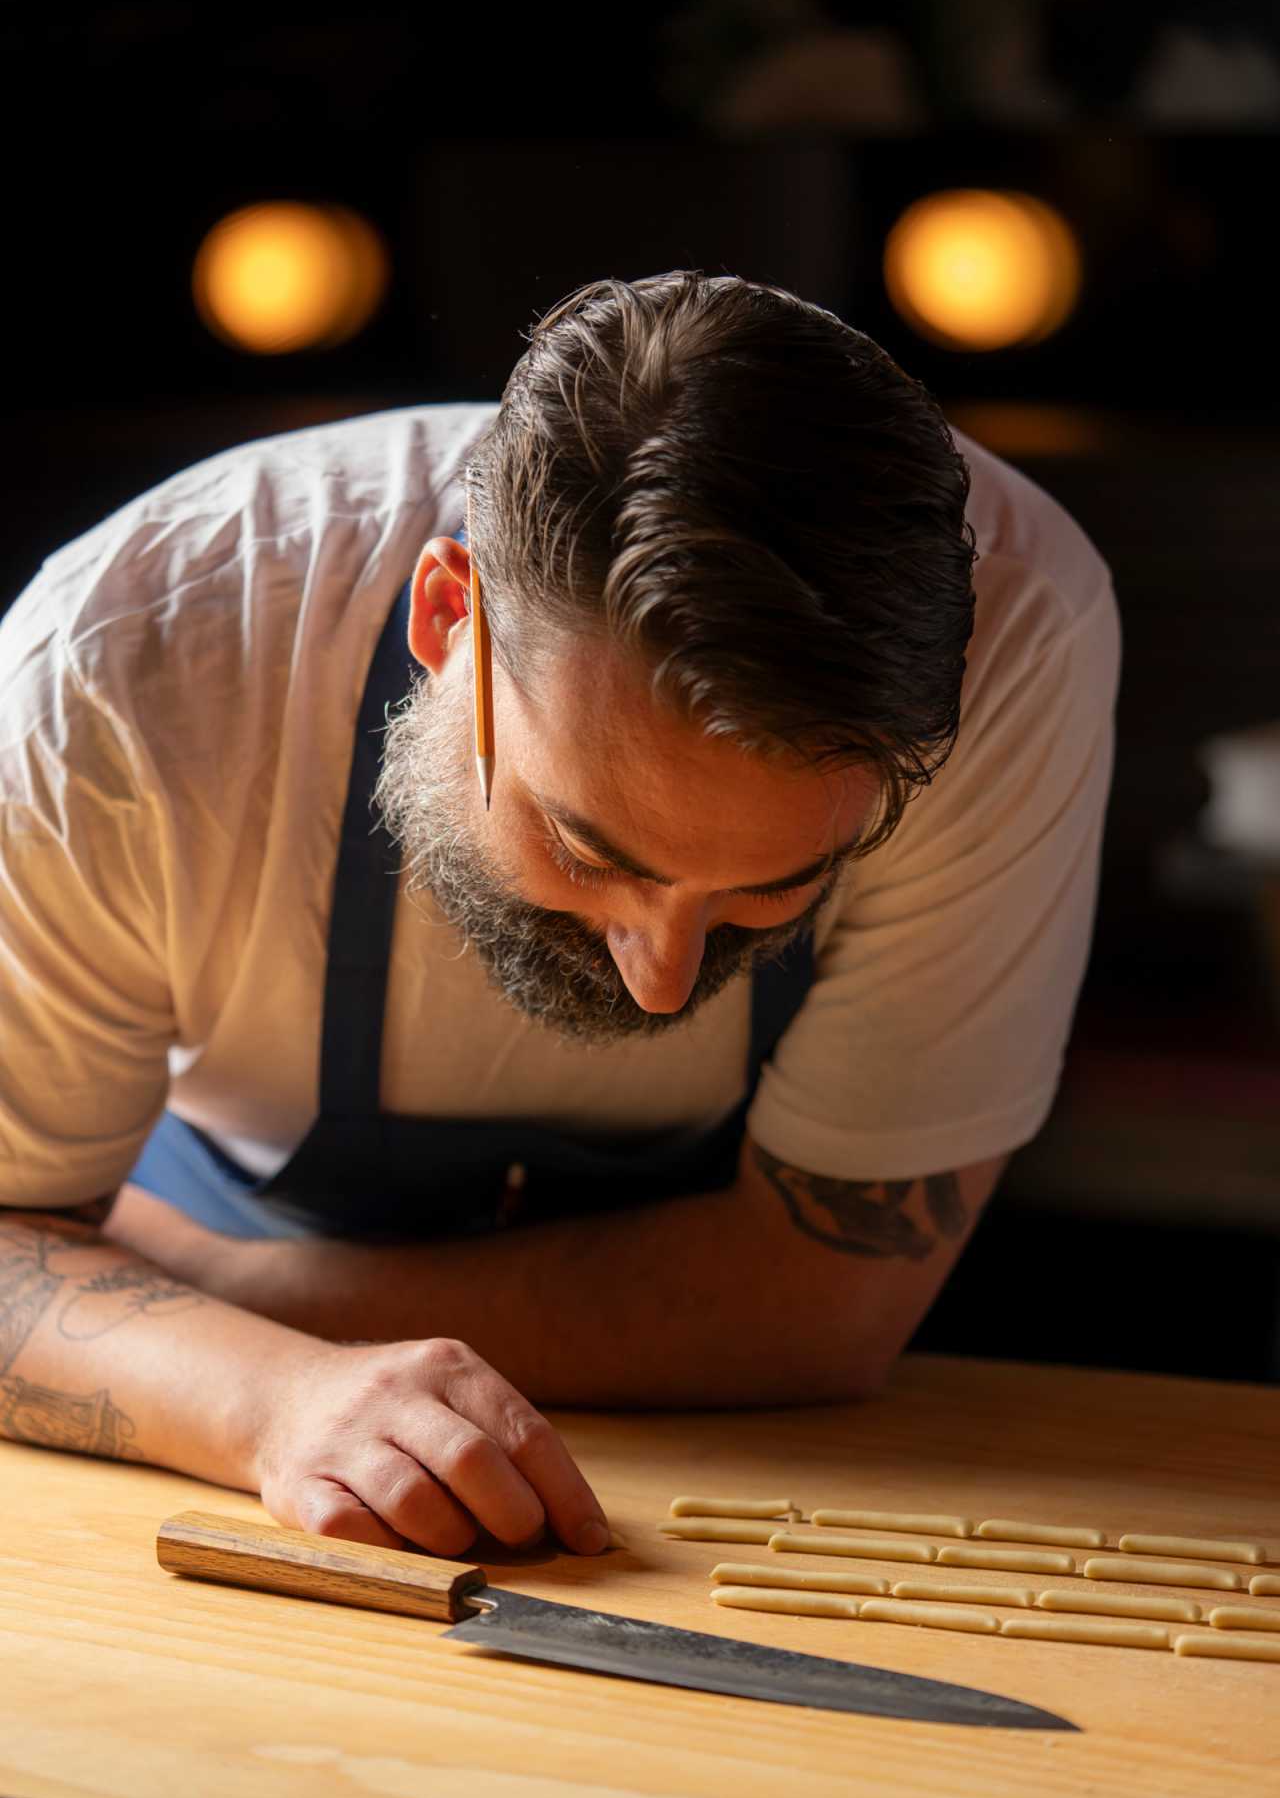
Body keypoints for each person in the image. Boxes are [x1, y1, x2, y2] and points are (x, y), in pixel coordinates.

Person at [0, 270, 1119, 1560]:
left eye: (772, 888)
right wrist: (263, 1393)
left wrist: (203, 1294)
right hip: (222, 1467)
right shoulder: (140, 660)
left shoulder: (1017, 632)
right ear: (448, 617)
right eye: (589, 847)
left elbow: (822, 1308)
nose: (659, 978)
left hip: (747, 1467)